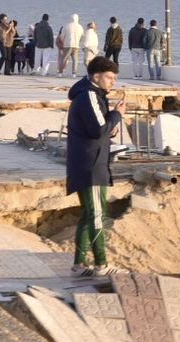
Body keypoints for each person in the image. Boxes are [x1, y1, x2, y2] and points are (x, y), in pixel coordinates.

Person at [67, 56, 124, 275]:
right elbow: (99, 130)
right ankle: (102, 264)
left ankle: (78, 264)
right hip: (90, 164)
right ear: (96, 76)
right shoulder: (89, 95)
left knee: (88, 214)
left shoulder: (93, 95)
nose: (112, 82)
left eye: (114, 78)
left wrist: (112, 123)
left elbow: (98, 128)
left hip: (88, 162)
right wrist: (117, 115)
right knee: (97, 214)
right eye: (109, 77)